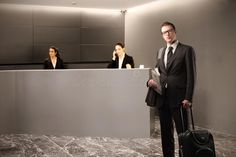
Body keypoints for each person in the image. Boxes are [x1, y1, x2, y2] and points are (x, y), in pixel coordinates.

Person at [147, 21, 196, 157]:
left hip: (180, 99)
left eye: (169, 31)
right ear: (162, 35)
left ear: (174, 31)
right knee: (166, 134)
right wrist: (151, 81)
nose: (167, 34)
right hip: (163, 99)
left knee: (183, 134)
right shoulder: (161, 51)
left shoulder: (187, 50)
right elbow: (158, 72)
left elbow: (192, 76)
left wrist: (188, 97)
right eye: (164, 32)